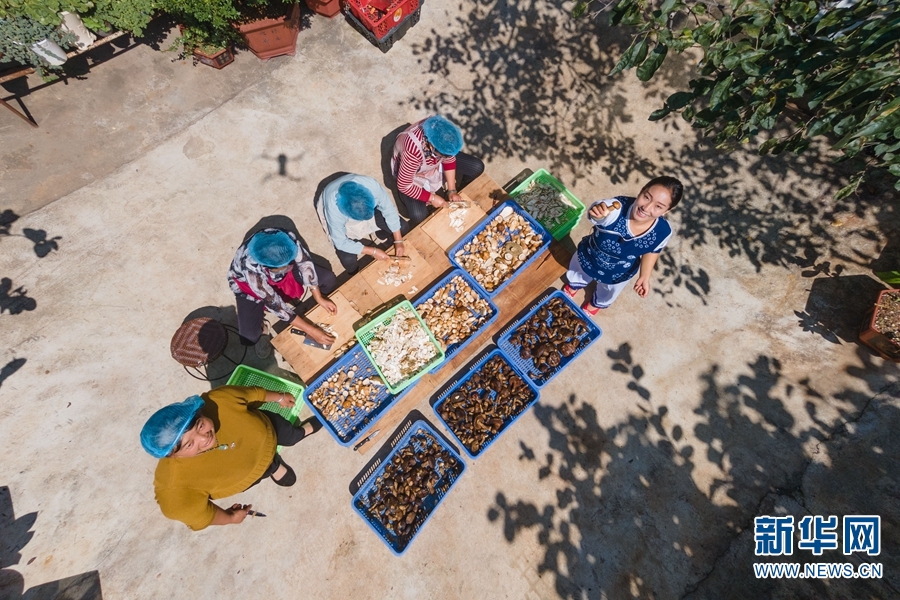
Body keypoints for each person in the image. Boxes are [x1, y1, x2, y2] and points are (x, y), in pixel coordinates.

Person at [139, 386, 322, 530]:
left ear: (199, 413)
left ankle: (300, 433)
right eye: (189, 444)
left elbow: (253, 394)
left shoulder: (218, 400)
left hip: (269, 428)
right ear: (172, 455)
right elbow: (194, 514)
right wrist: (231, 518)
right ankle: (272, 466)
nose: (204, 438)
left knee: (290, 435)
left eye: (200, 425)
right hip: (252, 471)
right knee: (263, 469)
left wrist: (280, 397)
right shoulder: (174, 486)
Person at [563, 176, 684, 315]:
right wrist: (598, 213)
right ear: (641, 190)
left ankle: (597, 302)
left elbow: (653, 250)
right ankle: (575, 284)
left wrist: (645, 276)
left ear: (667, 210)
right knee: (580, 270)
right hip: (591, 256)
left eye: (658, 206)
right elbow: (601, 211)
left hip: (620, 271)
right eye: (646, 197)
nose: (646, 208)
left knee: (609, 290)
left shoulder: (663, 231)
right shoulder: (617, 209)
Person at [229, 227, 337, 357]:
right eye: (284, 267)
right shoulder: (250, 269)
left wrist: (318, 296)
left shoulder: (286, 239)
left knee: (328, 279)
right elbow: (276, 305)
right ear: (267, 267)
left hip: (278, 275)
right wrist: (311, 331)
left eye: (289, 263)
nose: (289, 266)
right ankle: (263, 327)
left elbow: (305, 264)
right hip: (249, 287)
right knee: (249, 337)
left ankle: (317, 303)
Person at [391, 115, 485, 227]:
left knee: (477, 167)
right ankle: (405, 198)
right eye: (444, 155)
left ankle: (456, 193)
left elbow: (449, 158)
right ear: (431, 147)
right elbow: (404, 185)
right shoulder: (412, 152)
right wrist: (432, 198)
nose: (447, 157)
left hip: (431, 162)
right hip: (415, 174)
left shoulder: (440, 130)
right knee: (418, 215)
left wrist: (452, 190)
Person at [319, 173, 407, 275]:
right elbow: (340, 242)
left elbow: (388, 210)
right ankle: (354, 272)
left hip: (362, 208)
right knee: (347, 259)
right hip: (340, 216)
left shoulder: (371, 185)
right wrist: (372, 251)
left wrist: (398, 240)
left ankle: (381, 234)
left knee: (403, 227)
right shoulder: (333, 209)